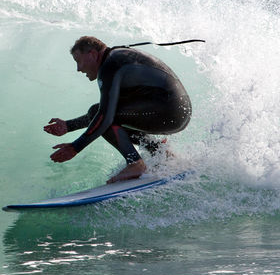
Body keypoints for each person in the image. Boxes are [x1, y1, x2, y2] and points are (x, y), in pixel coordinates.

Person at [44, 35, 192, 183]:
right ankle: (159, 150)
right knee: (99, 113)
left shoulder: (110, 66)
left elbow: (105, 116)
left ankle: (135, 163)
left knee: (101, 116)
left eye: (78, 61)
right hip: (176, 111)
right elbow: (107, 112)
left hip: (168, 110)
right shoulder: (117, 58)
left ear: (93, 54)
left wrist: (75, 147)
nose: (78, 69)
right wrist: (69, 126)